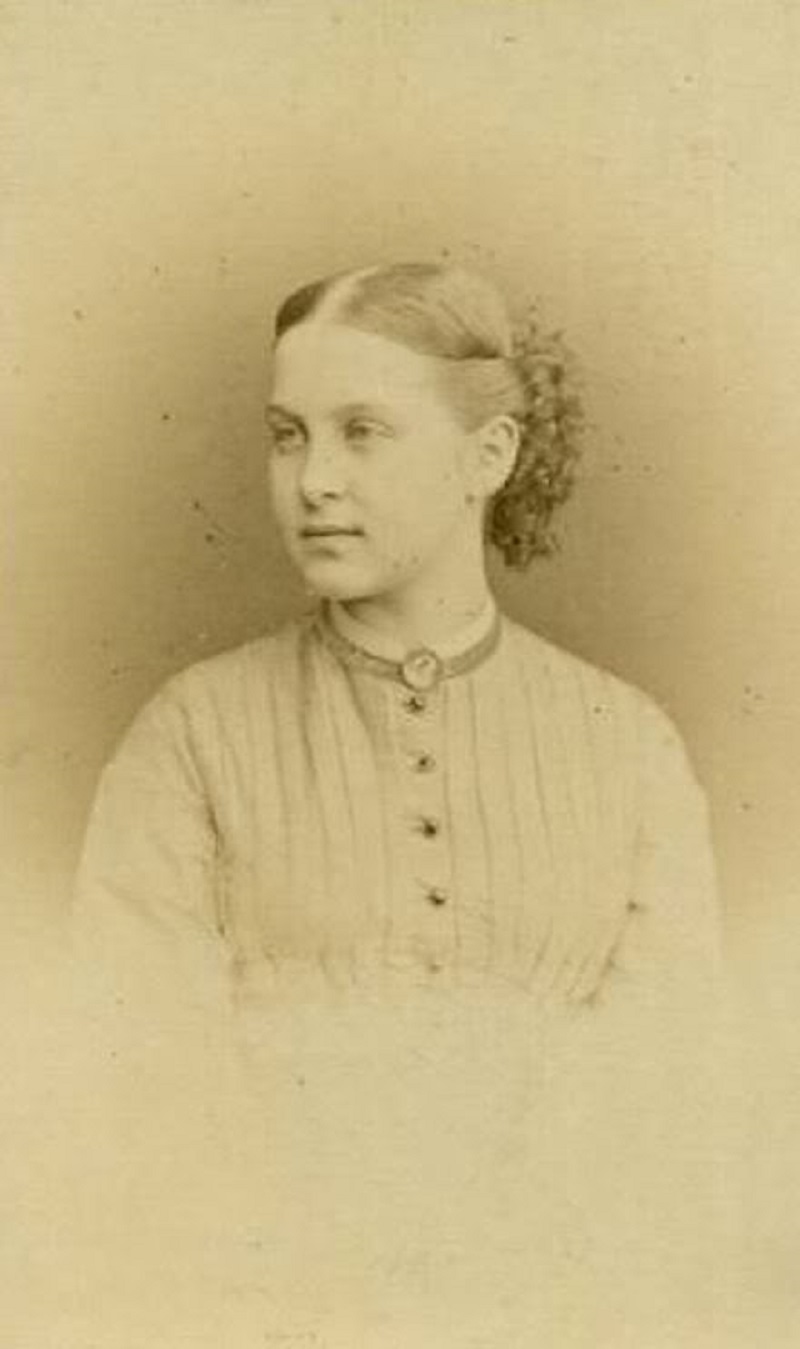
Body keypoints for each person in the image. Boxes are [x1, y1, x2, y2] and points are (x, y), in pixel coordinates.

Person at [71, 262, 727, 1347]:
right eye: (287, 436)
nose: (313, 480)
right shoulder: (191, 735)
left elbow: (662, 1107)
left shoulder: (630, 749)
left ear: (489, 455)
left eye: (363, 431)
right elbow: (140, 1097)